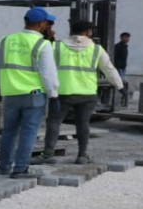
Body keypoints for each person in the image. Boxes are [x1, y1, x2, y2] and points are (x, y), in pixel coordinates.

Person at [0, 6, 59, 179]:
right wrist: (54, 95)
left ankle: (4, 166)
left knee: (9, 131)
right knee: (29, 133)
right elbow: (48, 73)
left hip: (10, 94)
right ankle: (20, 169)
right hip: (34, 96)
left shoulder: (6, 40)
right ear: (42, 24)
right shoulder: (43, 44)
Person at [37, 20, 123, 164]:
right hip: (87, 93)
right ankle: (82, 155)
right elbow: (109, 69)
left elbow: (43, 64)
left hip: (62, 92)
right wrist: (120, 86)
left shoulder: (57, 46)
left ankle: (48, 154)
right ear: (88, 32)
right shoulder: (96, 49)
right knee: (83, 123)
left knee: (54, 122)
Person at [113, 32, 131, 106]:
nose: (127, 39)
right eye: (125, 37)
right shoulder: (117, 47)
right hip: (118, 68)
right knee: (120, 84)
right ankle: (124, 96)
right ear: (121, 38)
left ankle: (123, 99)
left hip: (122, 69)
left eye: (128, 37)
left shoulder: (125, 47)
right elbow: (115, 58)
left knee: (122, 83)